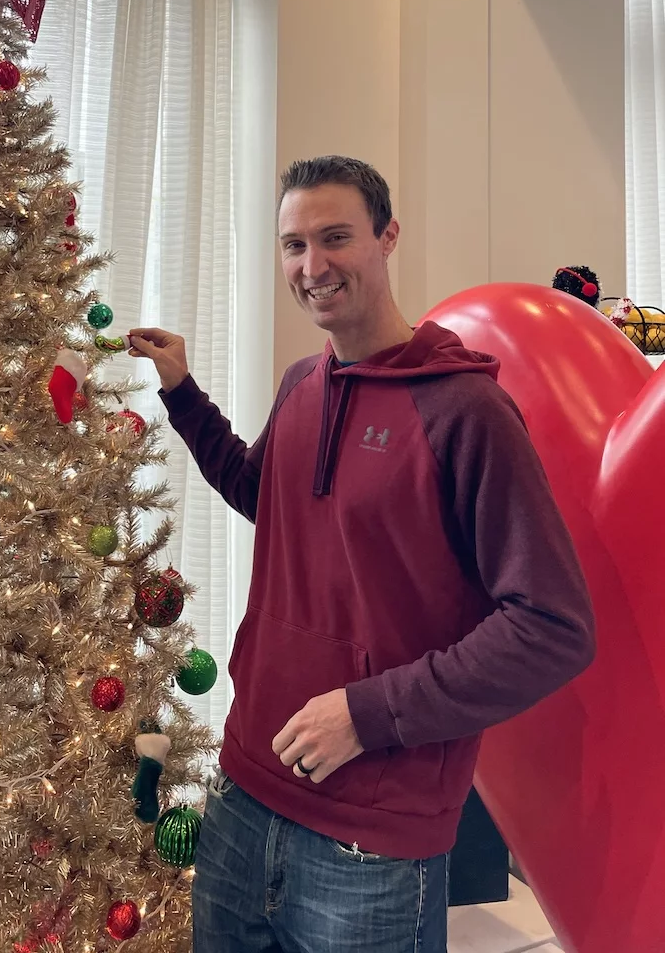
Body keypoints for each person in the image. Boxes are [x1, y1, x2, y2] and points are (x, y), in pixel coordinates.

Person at [129, 156, 596, 953]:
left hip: (373, 839)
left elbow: (552, 625)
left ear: (387, 238)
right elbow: (264, 495)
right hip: (246, 790)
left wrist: (368, 713)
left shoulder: (466, 411)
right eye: (293, 245)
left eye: (335, 237)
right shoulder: (301, 384)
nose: (312, 266)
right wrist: (182, 392)